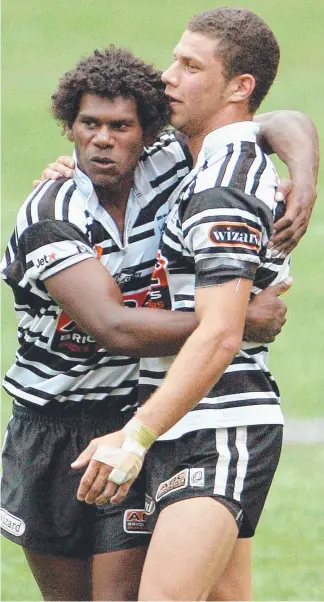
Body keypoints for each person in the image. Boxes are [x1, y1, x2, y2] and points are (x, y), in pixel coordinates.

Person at [1, 44, 318, 602]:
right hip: (50, 427)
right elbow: (112, 327)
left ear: (148, 132)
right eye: (88, 124)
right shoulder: (51, 215)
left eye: (120, 126)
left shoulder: (168, 161)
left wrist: (306, 177)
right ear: (68, 128)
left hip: (132, 412)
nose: (103, 138)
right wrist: (238, 319)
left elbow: (275, 121)